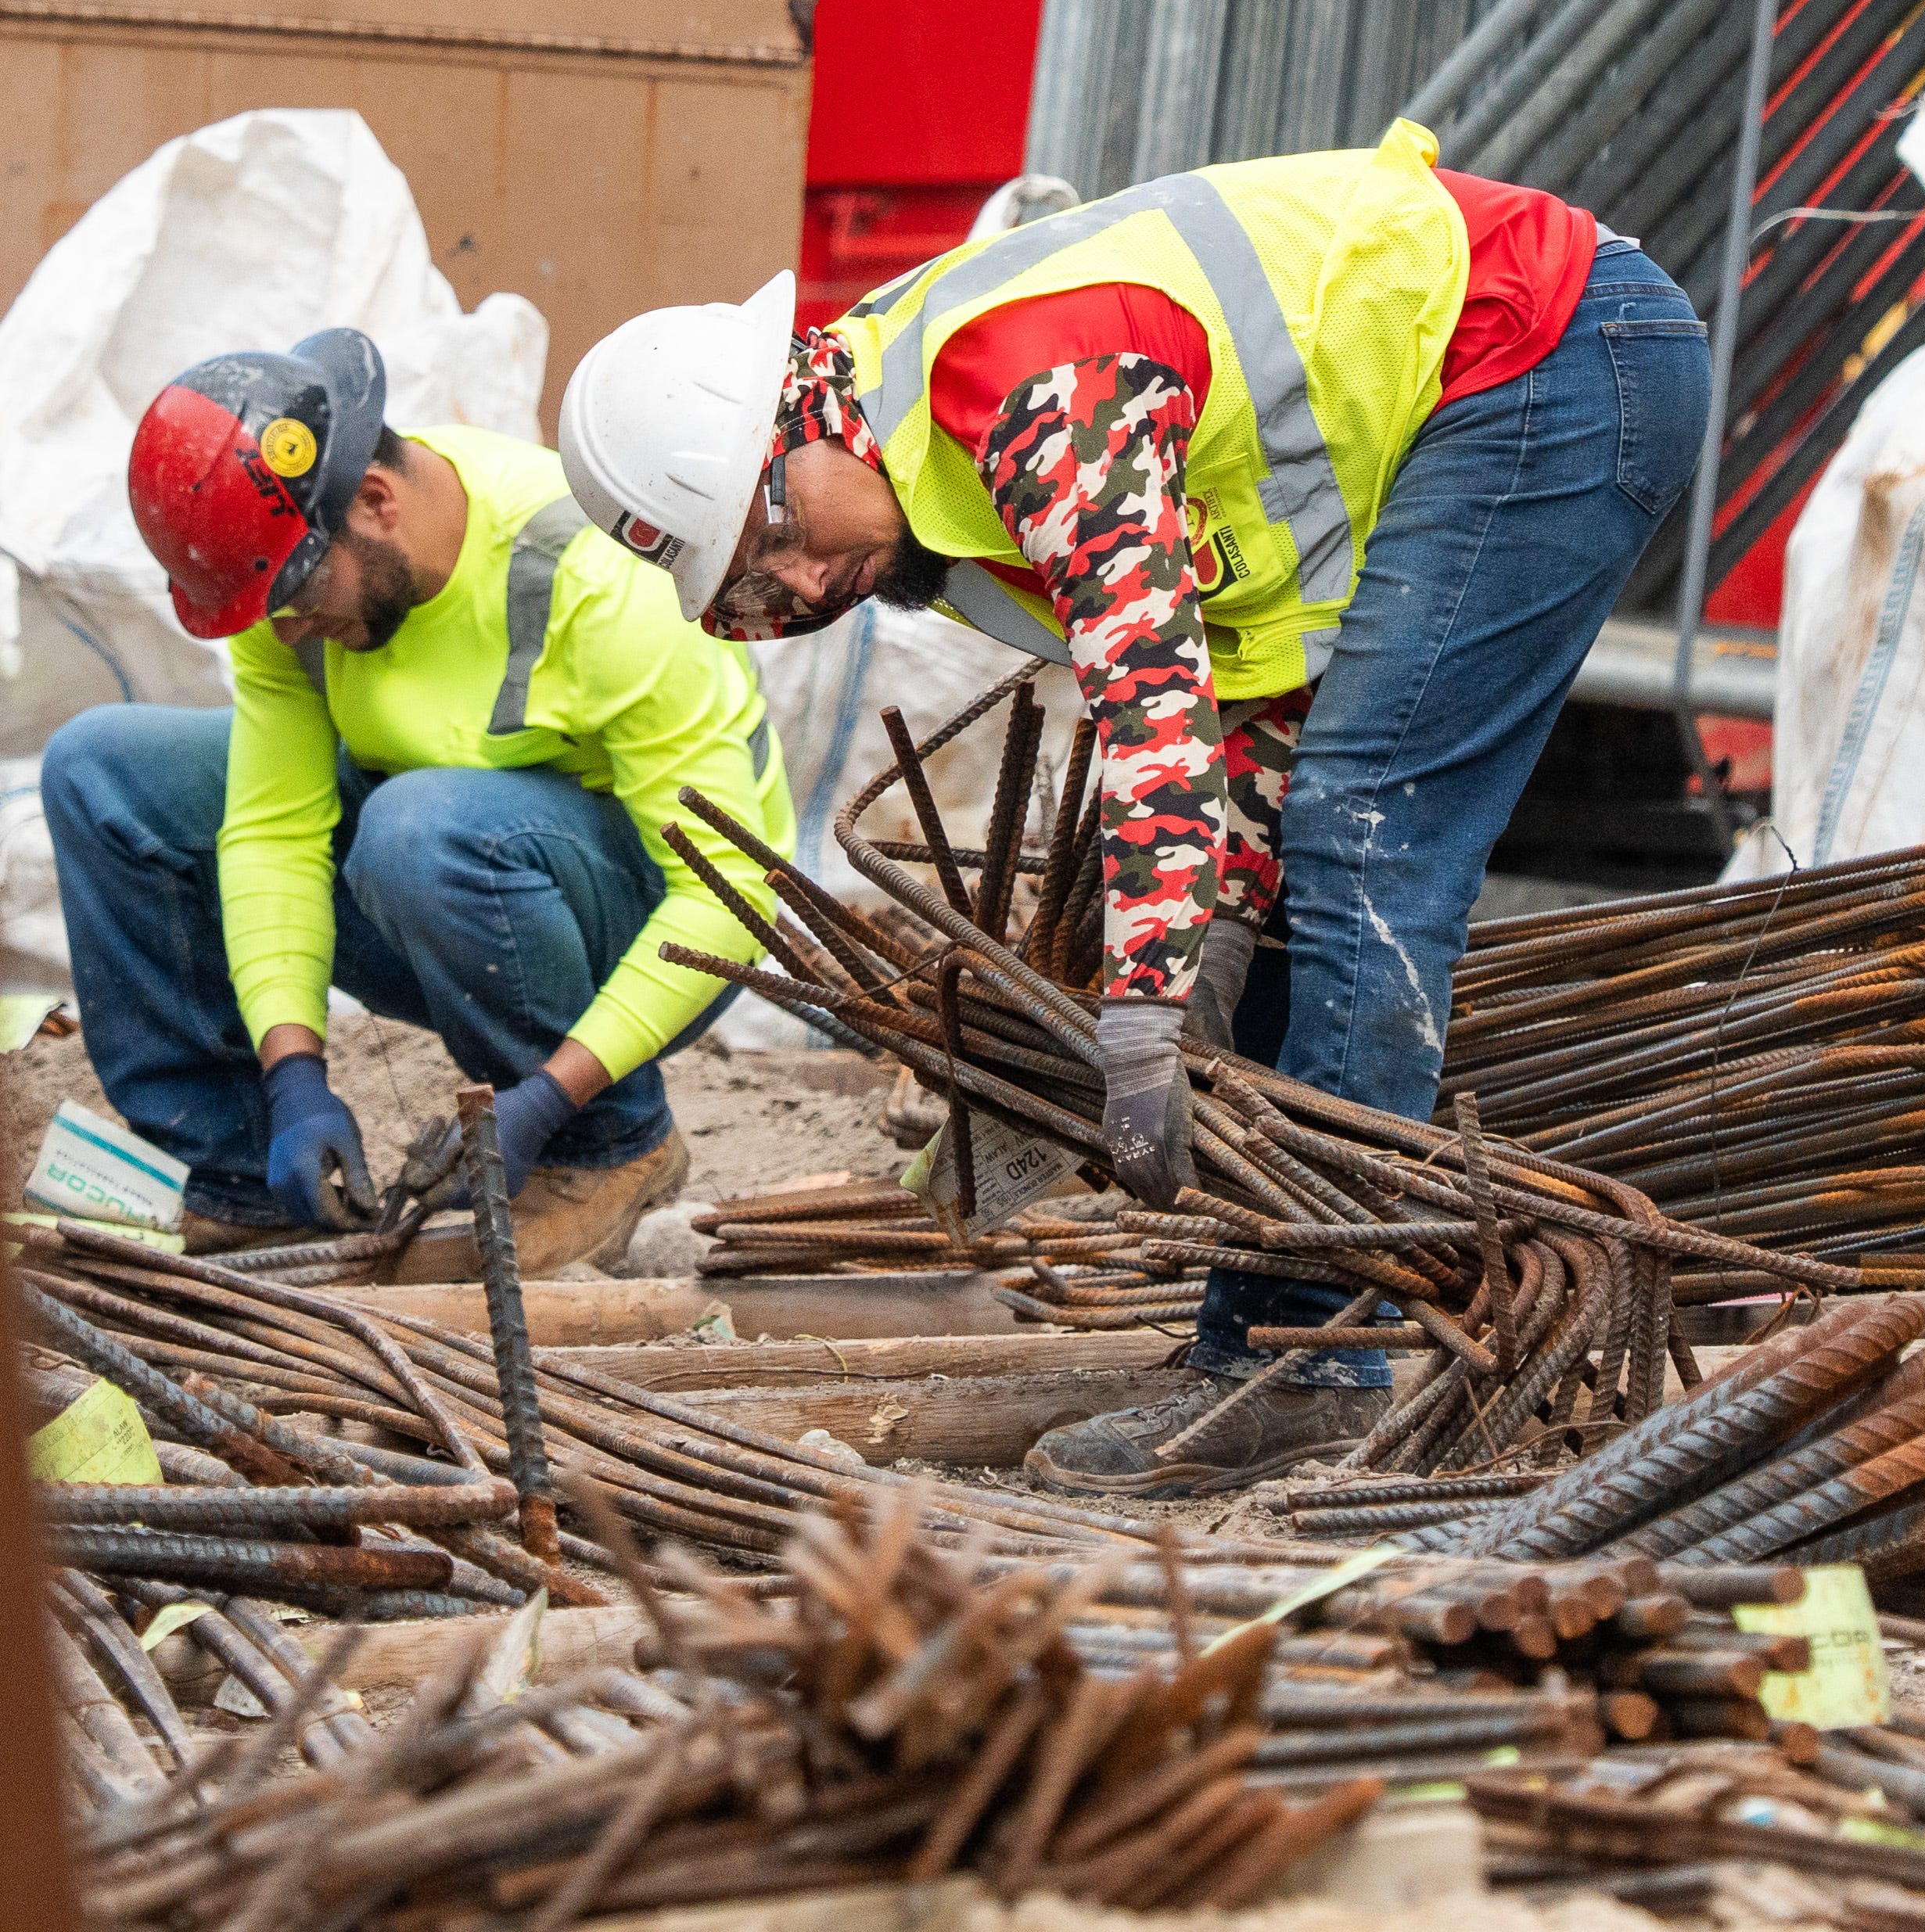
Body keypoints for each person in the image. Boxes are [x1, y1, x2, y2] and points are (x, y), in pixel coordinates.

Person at [558, 125, 1711, 1486]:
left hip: (1554, 352)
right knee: (1302, 864)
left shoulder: (1026, 396)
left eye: (777, 539)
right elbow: (1251, 662)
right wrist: (1217, 915)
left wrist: (1141, 1014)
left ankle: (1314, 1360)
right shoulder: (906, 452)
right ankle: (1258, 1348)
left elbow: (1152, 697)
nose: (797, 587)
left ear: (790, 425)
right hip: (1490, 380)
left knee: (1362, 839)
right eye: (753, 589)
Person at [44, 325, 792, 1277]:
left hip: (650, 915)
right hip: (448, 880)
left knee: (417, 830)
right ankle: (247, 1180)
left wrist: (543, 1100)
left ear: (375, 501)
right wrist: (294, 1078)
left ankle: (610, 1142)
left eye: (295, 594)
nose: (285, 626)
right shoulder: (296, 578)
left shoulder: (594, 575)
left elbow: (727, 894)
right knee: (101, 767)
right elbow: (273, 831)